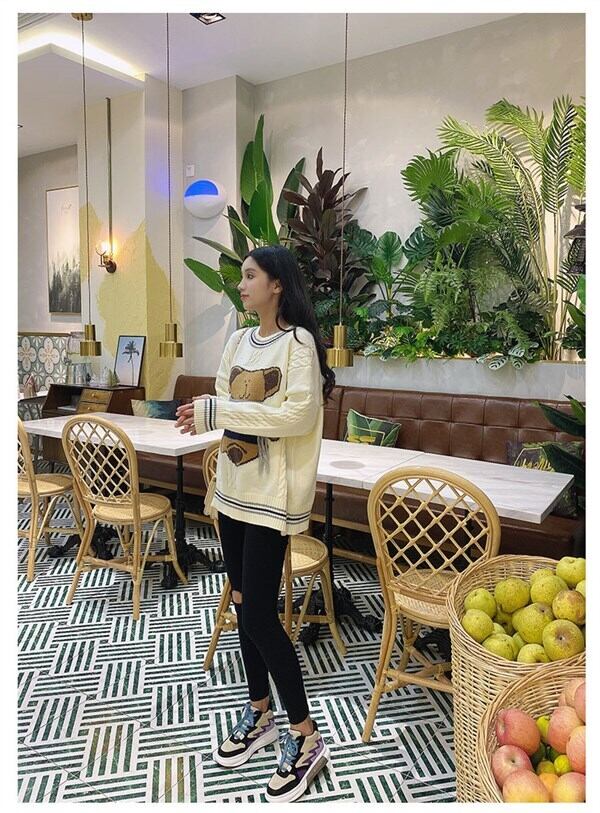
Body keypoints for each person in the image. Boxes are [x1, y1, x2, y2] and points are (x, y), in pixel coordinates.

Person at [175, 245, 336, 803]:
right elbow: (224, 401)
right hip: (232, 491)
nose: (241, 284)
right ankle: (260, 710)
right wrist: (207, 413)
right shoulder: (239, 341)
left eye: (249, 276)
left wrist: (216, 411)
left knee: (263, 616)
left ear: (277, 285)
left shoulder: (300, 345)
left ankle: (307, 736)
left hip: (271, 498)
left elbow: (296, 415)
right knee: (243, 604)